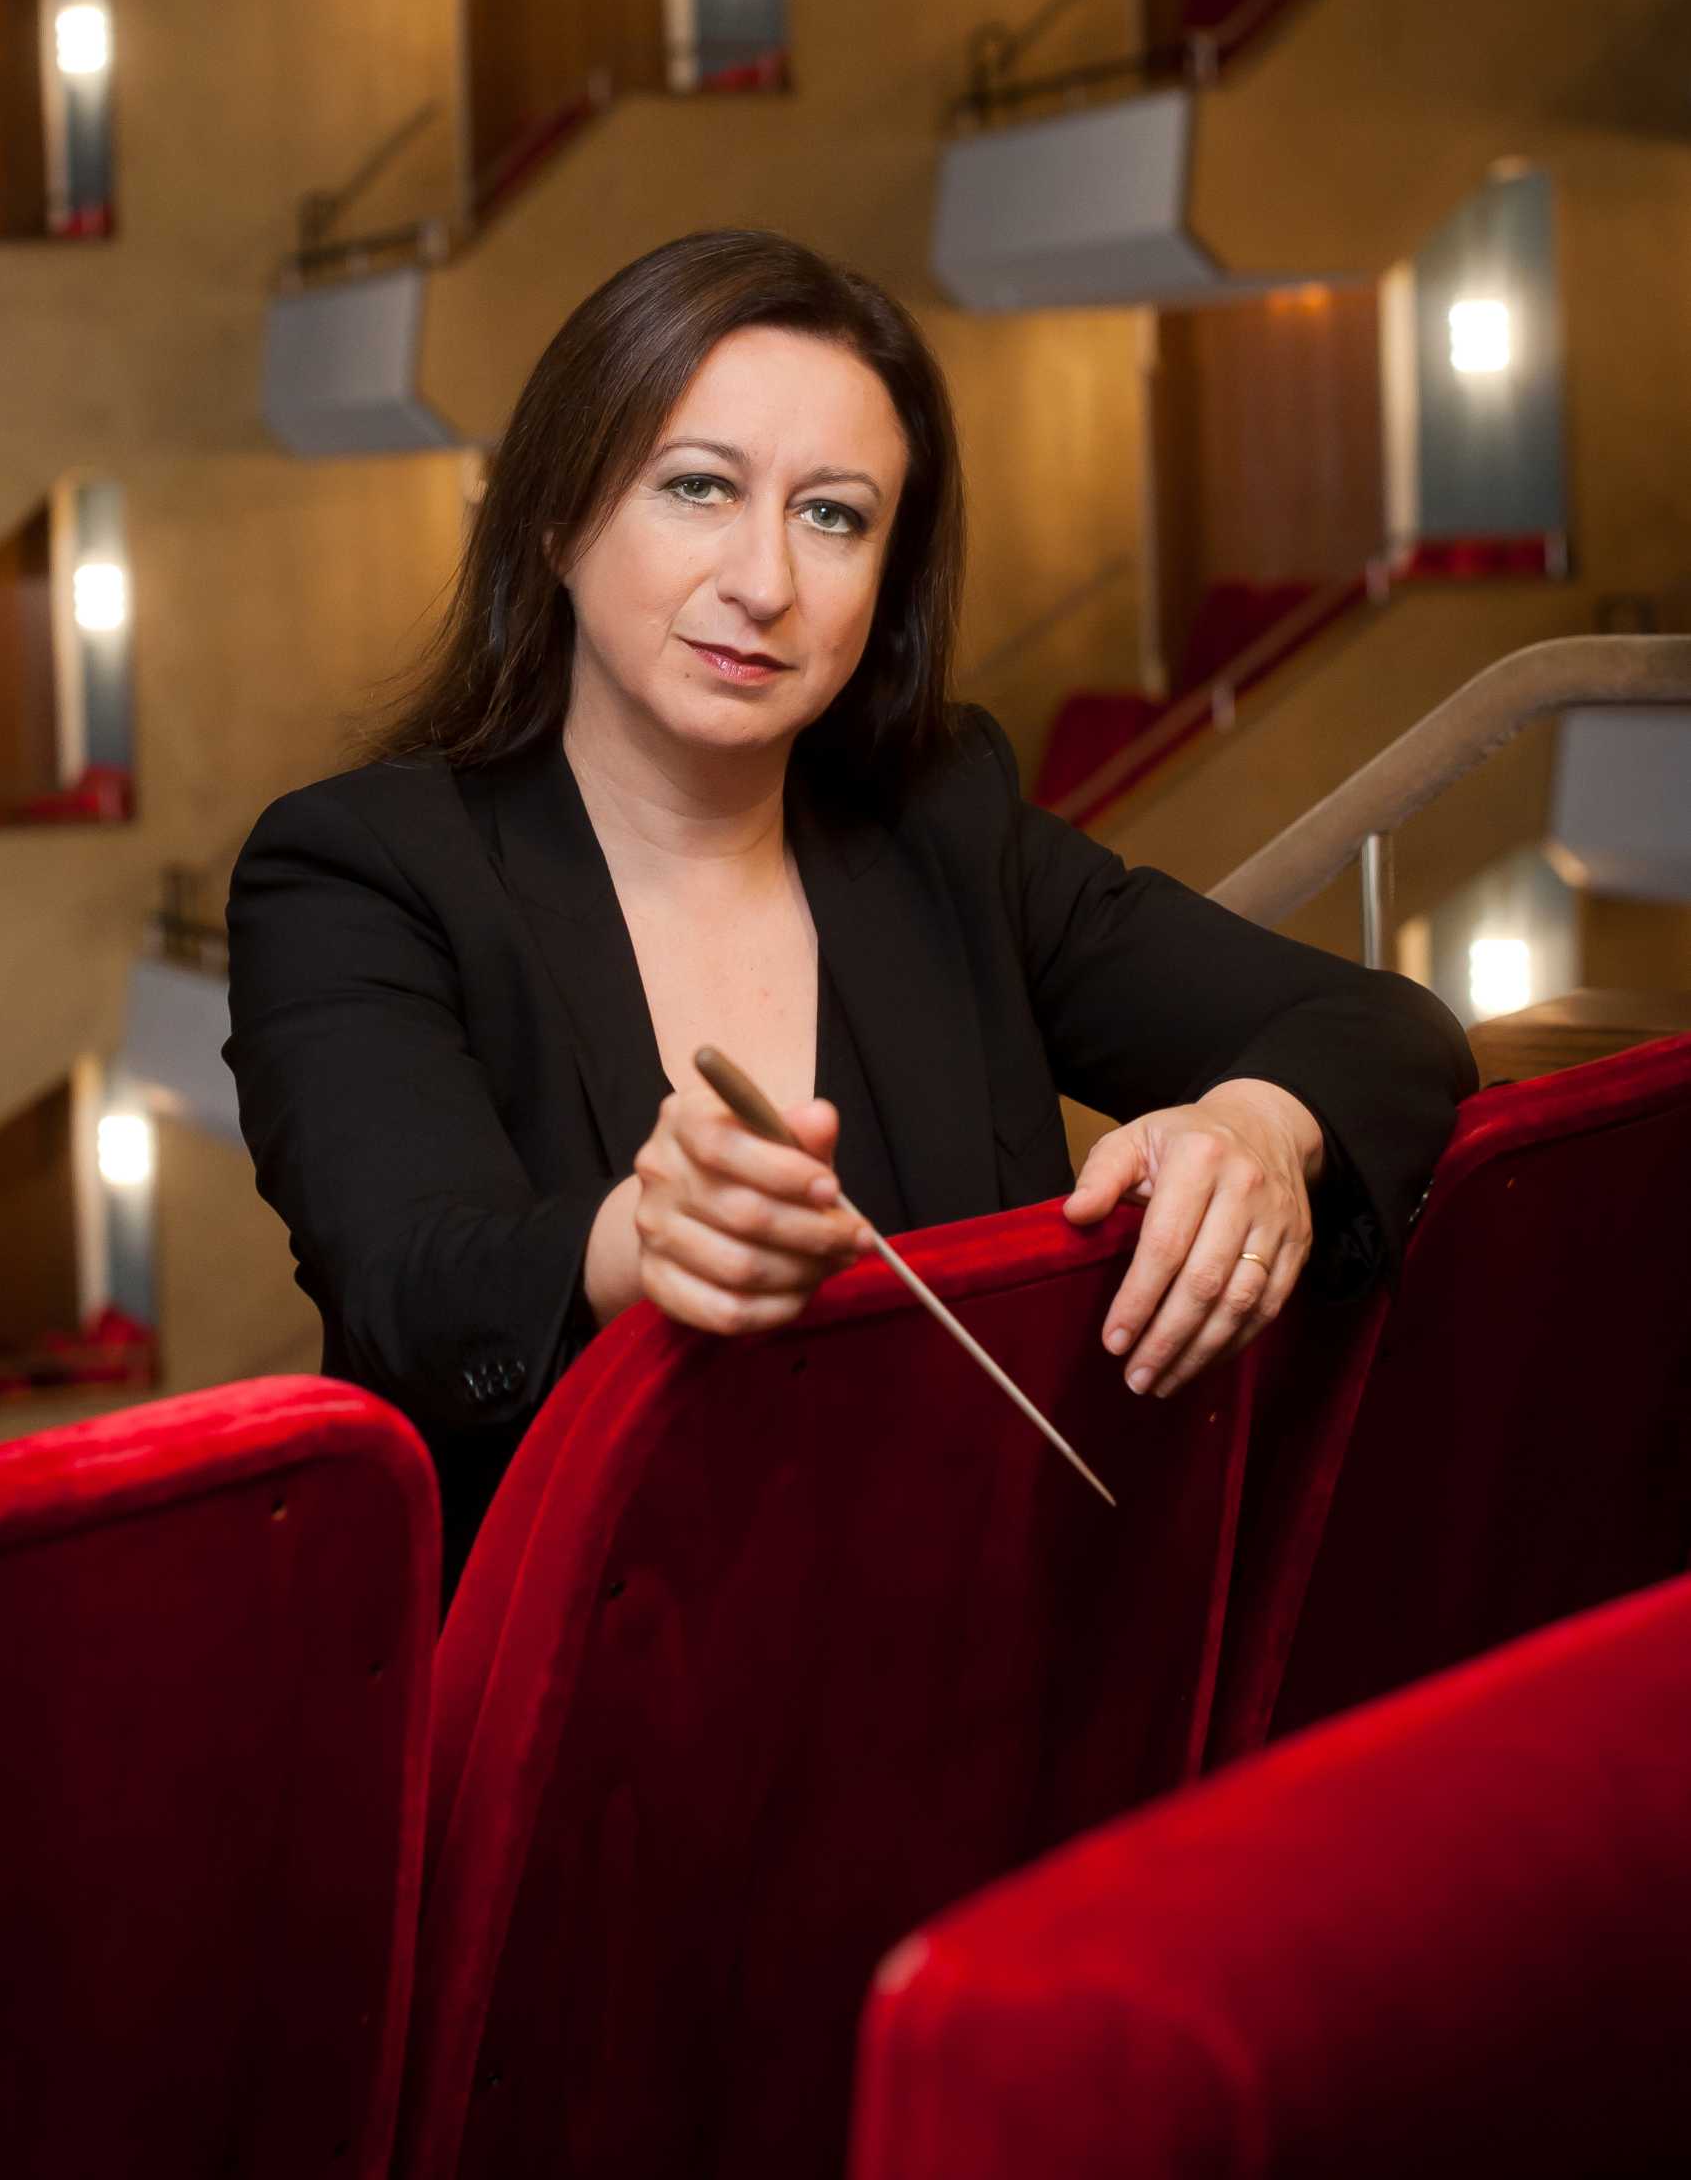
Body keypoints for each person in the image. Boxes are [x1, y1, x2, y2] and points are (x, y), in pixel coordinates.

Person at [225, 229, 1475, 1603]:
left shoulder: (944, 825)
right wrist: (641, 1241)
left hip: (978, 1655)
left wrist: (1256, 1128)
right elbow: (414, 1285)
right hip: (589, 1712)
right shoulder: (356, 871)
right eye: (698, 488)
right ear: (555, 519)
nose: (765, 582)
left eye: (834, 516)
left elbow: (1379, 1028)